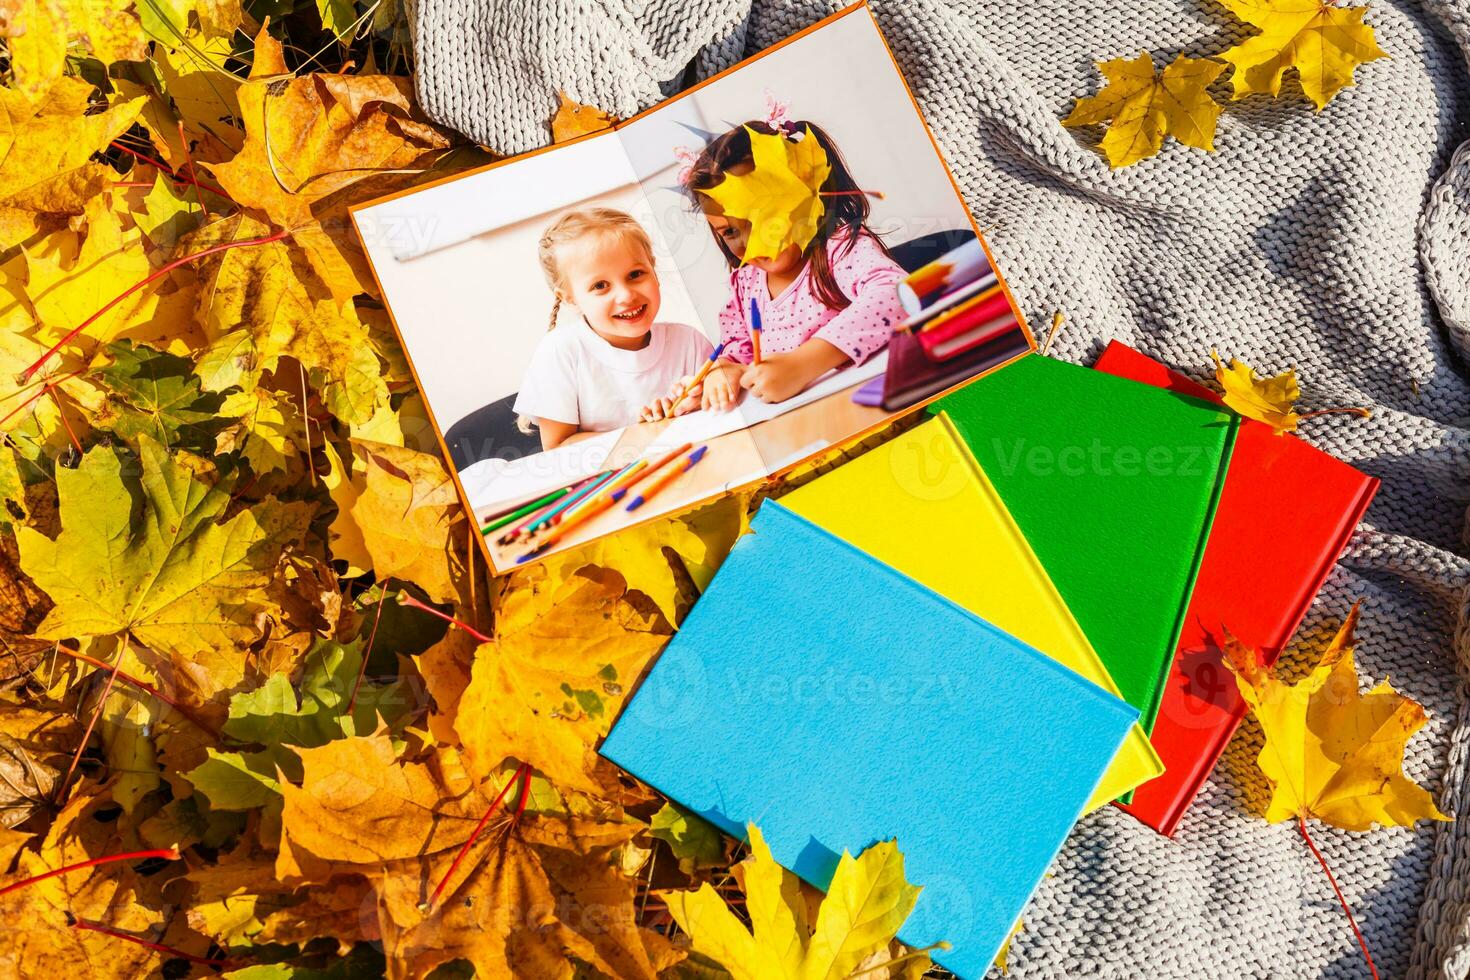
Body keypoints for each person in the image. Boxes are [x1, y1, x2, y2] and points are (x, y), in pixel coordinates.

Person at [670, 114, 907, 411]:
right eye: (730, 231)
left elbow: (896, 293)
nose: (749, 242)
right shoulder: (746, 283)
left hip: (867, 404)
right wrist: (725, 370)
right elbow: (737, 347)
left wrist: (804, 363)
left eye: (763, 217)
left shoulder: (838, 249)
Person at [512, 207, 714, 450]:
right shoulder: (561, 351)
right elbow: (557, 446)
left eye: (635, 274)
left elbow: (718, 417)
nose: (626, 295)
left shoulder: (689, 341)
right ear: (570, 298)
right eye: (600, 285)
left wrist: (698, 406)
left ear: (654, 270)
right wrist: (648, 434)